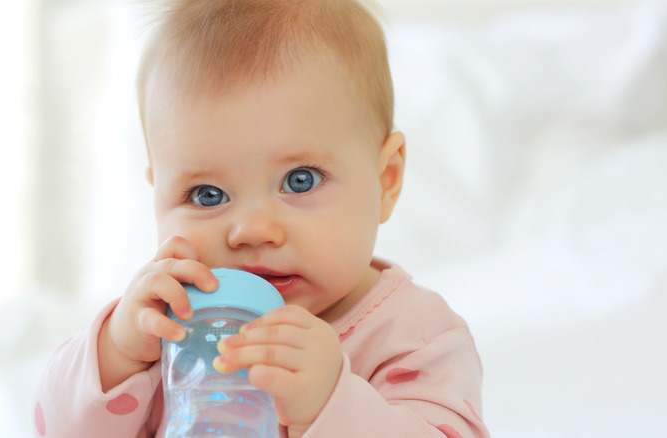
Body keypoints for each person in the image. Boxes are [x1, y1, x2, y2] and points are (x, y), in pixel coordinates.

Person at [33, 0, 489, 437]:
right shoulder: (167, 327)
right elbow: (54, 427)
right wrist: (117, 353)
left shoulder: (417, 338)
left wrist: (333, 402)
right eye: (207, 194)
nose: (251, 230)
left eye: (300, 181)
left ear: (385, 179)